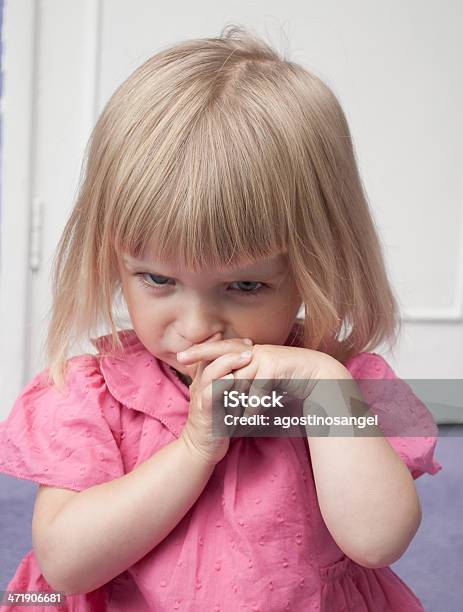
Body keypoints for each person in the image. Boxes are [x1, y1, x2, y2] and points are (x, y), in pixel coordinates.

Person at [0, 24, 442, 611]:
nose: (197, 324)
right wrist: (193, 448)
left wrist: (326, 394)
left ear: (316, 265)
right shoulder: (92, 395)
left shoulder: (348, 384)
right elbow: (66, 563)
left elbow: (377, 542)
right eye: (158, 280)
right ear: (113, 259)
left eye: (244, 285)